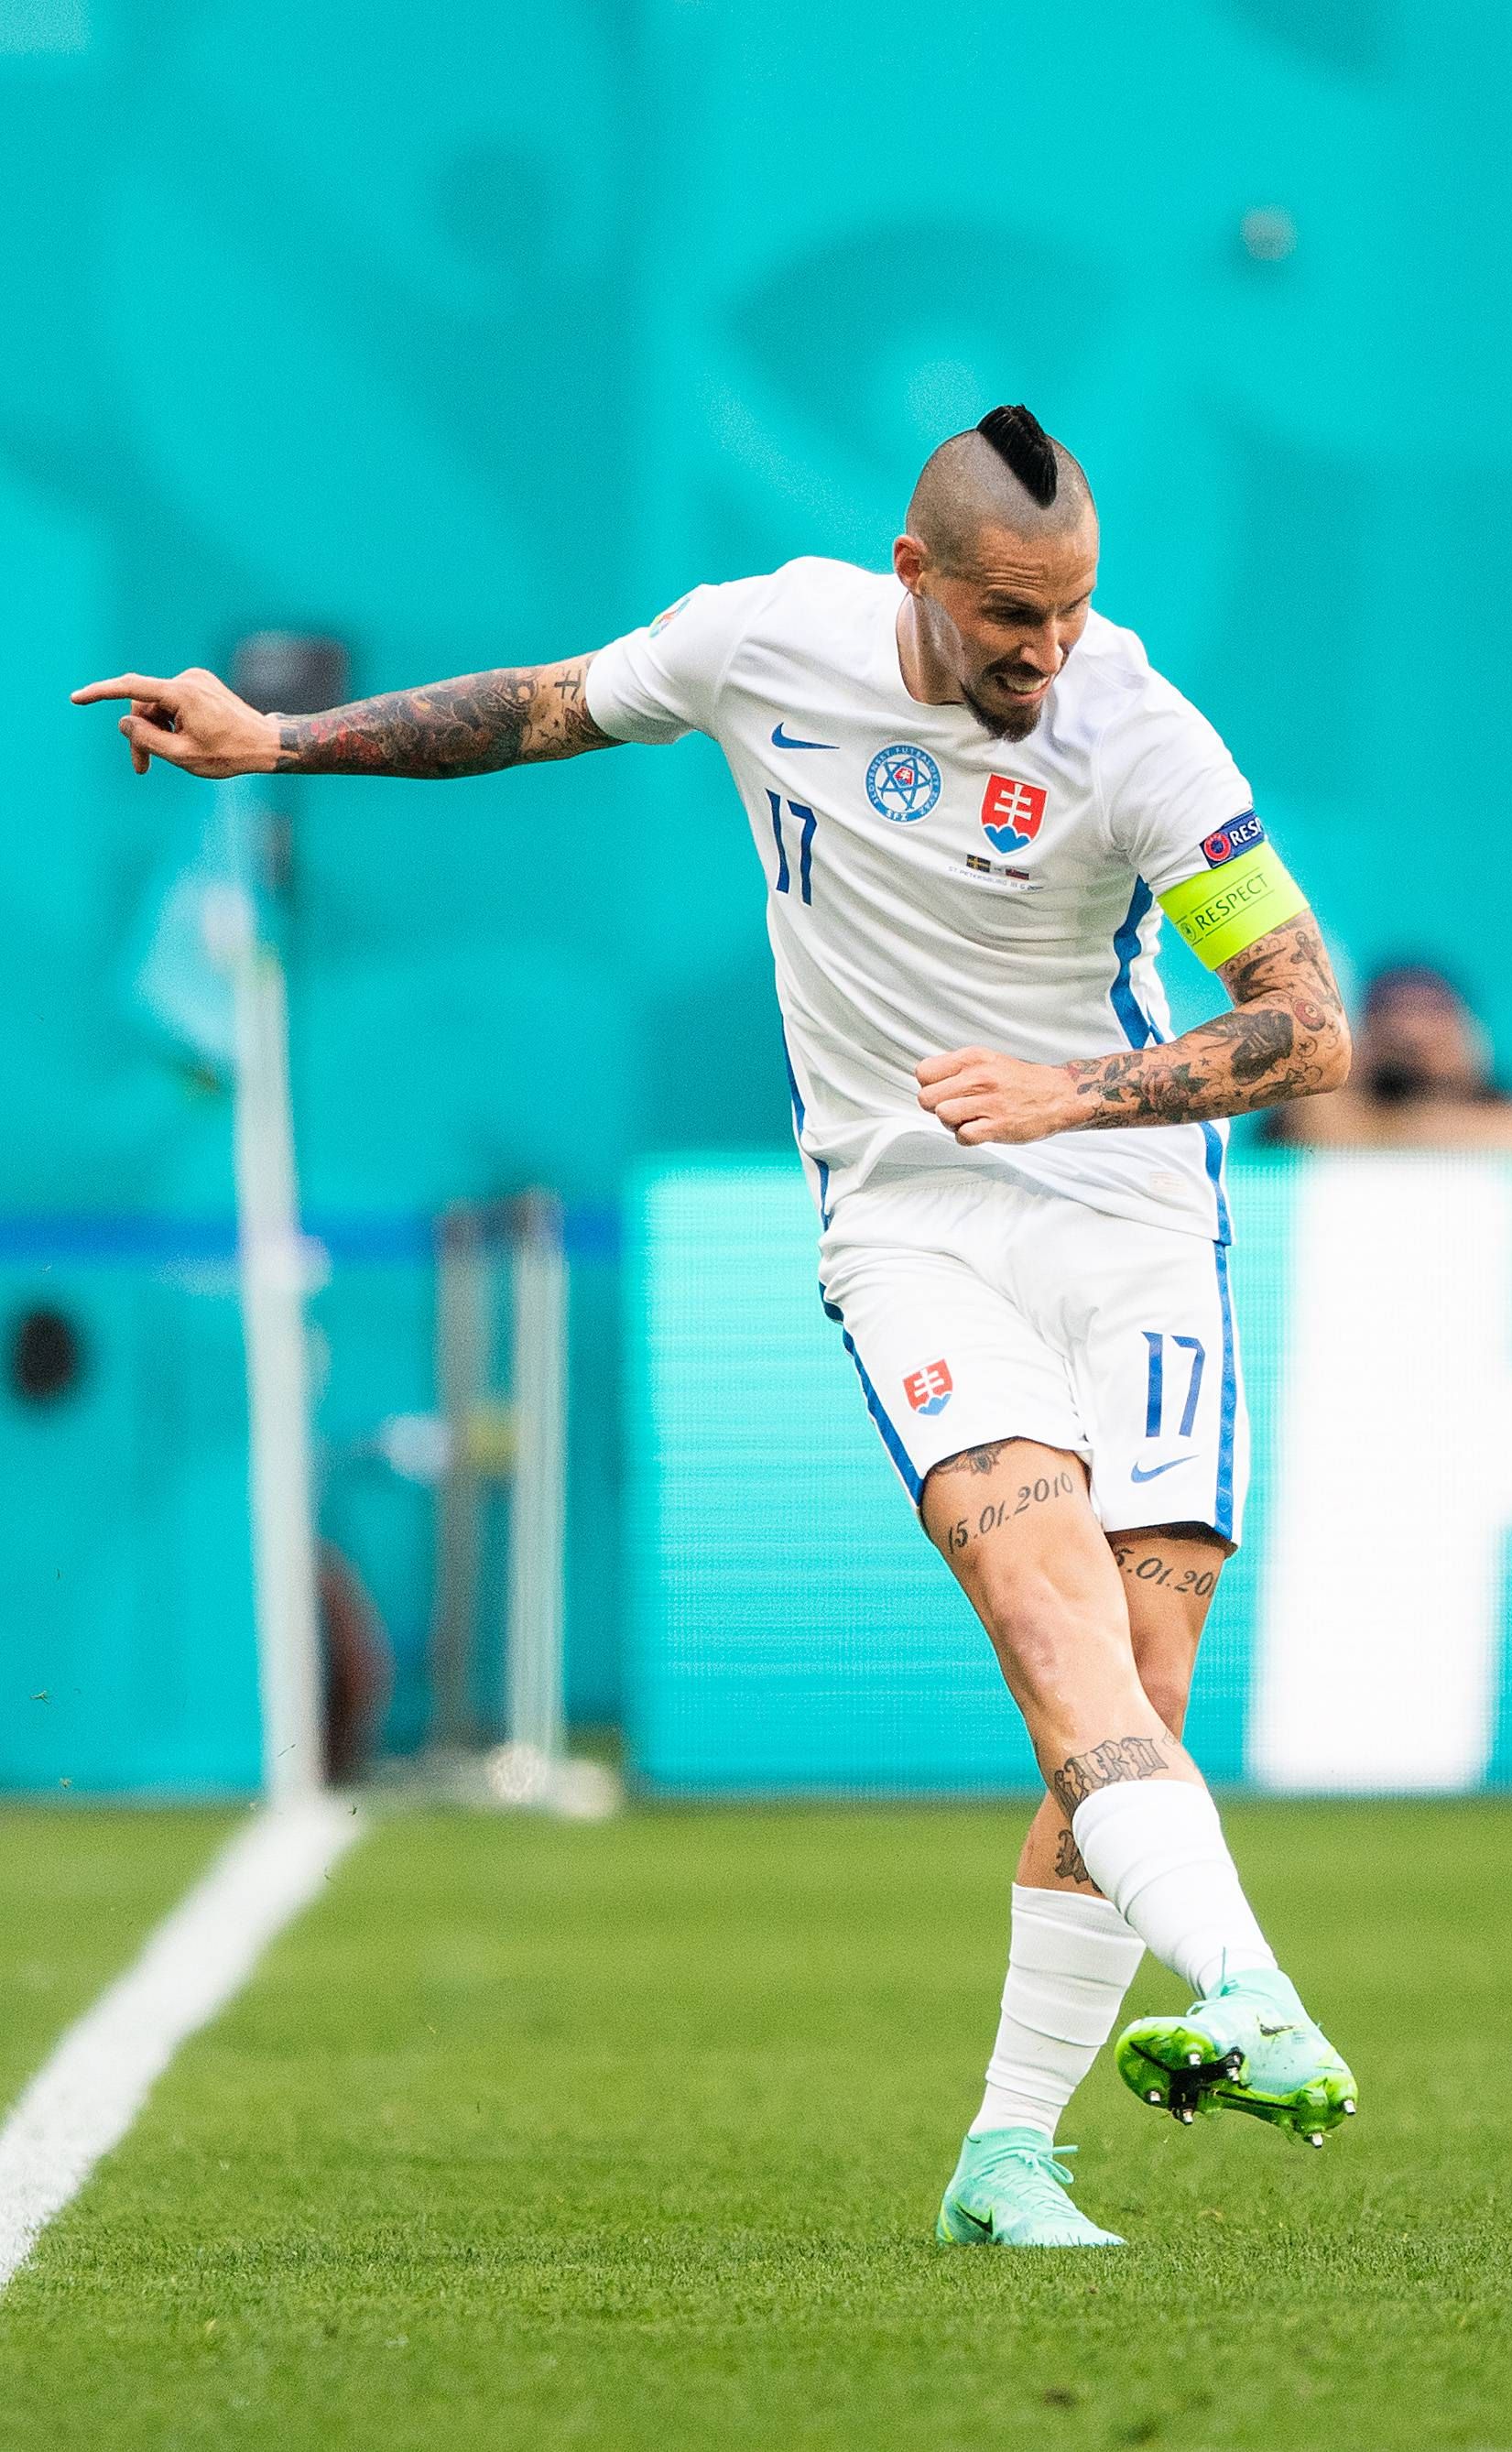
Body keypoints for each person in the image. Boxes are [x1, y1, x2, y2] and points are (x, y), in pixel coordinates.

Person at [75, 405, 1363, 2251]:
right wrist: (279, 742)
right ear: (914, 574)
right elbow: (537, 706)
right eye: (1011, 616)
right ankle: (1253, 1994)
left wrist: (1069, 1094)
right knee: (1056, 1643)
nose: (1046, 652)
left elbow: (1307, 1023)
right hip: (910, 1225)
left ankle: (1006, 2155)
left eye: (1072, 613)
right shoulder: (766, 638)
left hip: (1135, 1226)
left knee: (1142, 1699)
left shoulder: (1139, 730)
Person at [1249, 958, 1512, 1155]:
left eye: (1431, 1016)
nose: (1412, 1034)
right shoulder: (1319, 1121)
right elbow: (1315, 1131)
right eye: (1393, 1016)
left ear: (1470, 1036)